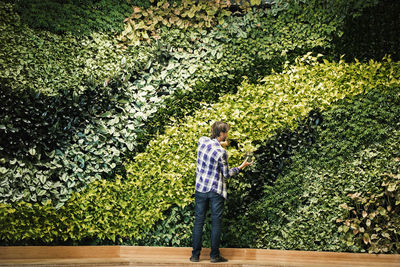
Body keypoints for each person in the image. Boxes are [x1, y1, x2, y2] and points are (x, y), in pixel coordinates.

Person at [190, 121, 252, 263]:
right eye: (226, 132)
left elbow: (212, 144)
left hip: (200, 189)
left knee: (199, 221)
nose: (227, 134)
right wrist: (240, 167)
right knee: (216, 223)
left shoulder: (202, 141)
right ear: (222, 134)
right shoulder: (221, 153)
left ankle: (195, 256)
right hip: (215, 191)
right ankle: (214, 256)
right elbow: (226, 174)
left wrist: (222, 144)